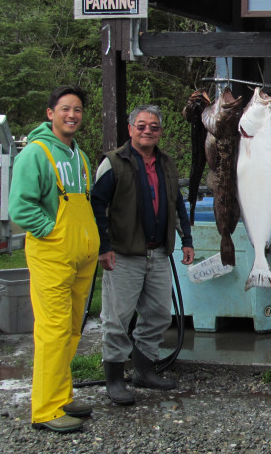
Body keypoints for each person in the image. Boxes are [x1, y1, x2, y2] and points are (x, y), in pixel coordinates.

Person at [8, 86, 100, 433]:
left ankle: (61, 396)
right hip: (52, 255)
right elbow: (20, 208)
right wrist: (53, 232)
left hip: (81, 258)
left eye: (77, 110)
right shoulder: (36, 153)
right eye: (65, 109)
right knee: (53, 331)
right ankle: (45, 410)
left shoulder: (79, 155)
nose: (72, 115)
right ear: (51, 114)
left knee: (73, 329)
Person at [91, 104, 194, 406]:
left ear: (161, 132)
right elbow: (96, 204)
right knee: (118, 318)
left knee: (160, 314)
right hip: (123, 255)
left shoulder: (167, 164)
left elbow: (177, 205)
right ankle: (114, 379)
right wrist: (103, 246)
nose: (148, 130)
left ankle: (143, 370)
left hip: (158, 253)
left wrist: (186, 239)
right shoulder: (113, 163)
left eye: (154, 126)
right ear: (130, 128)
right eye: (141, 125)